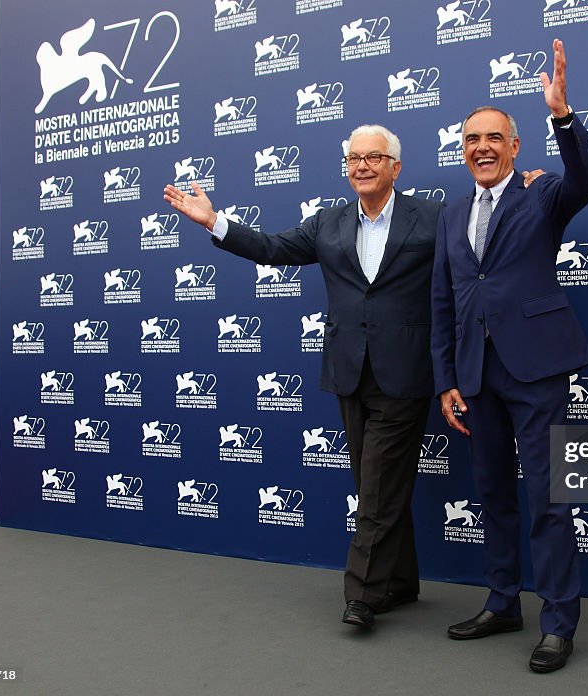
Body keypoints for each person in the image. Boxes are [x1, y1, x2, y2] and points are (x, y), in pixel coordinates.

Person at [164, 125, 440, 630]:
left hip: (406, 371)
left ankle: (361, 595)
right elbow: (271, 248)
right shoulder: (328, 222)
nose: (361, 166)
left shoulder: (432, 217)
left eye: (373, 158)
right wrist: (215, 222)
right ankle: (400, 582)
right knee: (375, 483)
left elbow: (473, 250)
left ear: (395, 168)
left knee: (376, 489)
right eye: (353, 158)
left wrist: (525, 188)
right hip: (348, 372)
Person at [430, 39, 588, 673]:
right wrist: (446, 378)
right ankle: (503, 602)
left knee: (548, 498)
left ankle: (559, 621)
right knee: (492, 492)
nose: (482, 148)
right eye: (472, 139)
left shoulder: (543, 195)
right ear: (463, 148)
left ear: (515, 146)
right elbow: (444, 300)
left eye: (493, 138)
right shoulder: (450, 214)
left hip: (536, 370)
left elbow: (587, 179)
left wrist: (562, 114)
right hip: (475, 374)